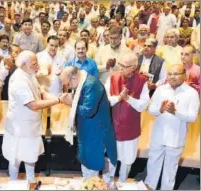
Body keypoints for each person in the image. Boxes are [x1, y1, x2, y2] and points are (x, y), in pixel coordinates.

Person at [2, 50, 66, 183]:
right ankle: (13, 184)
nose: (38, 66)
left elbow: (41, 92)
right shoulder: (19, 80)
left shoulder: (29, 74)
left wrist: (58, 98)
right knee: (16, 158)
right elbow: (34, 105)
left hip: (31, 126)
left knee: (31, 156)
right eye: (34, 64)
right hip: (20, 127)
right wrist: (58, 101)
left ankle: (31, 182)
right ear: (24, 64)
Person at [145, 64, 200, 190]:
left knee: (170, 171)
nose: (171, 77)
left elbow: (193, 117)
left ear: (184, 75)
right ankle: (149, 187)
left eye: (176, 74)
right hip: (158, 135)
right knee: (152, 165)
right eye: (169, 74)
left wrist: (175, 112)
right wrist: (160, 109)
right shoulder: (160, 89)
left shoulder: (192, 93)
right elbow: (150, 109)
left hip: (176, 138)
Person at [60, 66, 117, 184]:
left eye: (68, 84)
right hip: (87, 132)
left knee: (92, 171)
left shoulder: (91, 84)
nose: (68, 87)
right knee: (86, 167)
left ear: (74, 77)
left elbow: (88, 110)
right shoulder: (83, 82)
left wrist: (71, 103)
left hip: (96, 133)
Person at [104, 52, 150, 182]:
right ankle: (107, 182)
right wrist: (119, 98)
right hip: (113, 127)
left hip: (131, 129)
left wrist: (128, 98)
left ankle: (122, 184)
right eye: (120, 64)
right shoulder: (112, 78)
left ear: (134, 67)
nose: (120, 68)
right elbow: (105, 101)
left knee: (127, 160)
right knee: (110, 158)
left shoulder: (142, 81)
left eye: (124, 66)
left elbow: (143, 106)